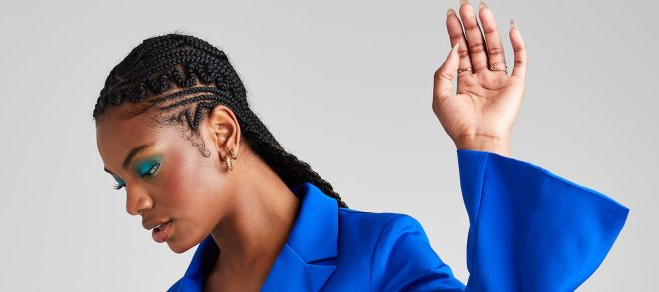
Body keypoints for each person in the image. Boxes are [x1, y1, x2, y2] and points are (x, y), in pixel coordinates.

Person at [93, 1, 629, 291]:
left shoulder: (380, 253)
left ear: (223, 133)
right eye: (121, 183)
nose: (133, 203)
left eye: (148, 167)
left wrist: (484, 142)